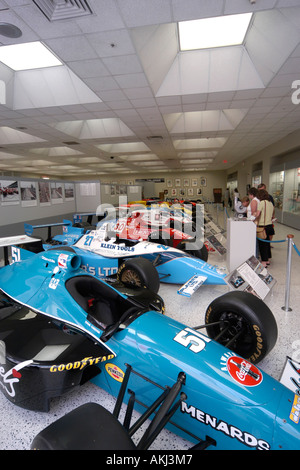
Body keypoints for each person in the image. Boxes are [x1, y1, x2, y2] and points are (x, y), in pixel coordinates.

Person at [255, 189, 275, 267]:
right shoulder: (270, 203)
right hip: (270, 226)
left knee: (262, 245)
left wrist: (254, 214)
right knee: (267, 243)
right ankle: (268, 259)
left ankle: (264, 261)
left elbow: (258, 214)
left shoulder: (262, 203)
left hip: (263, 227)